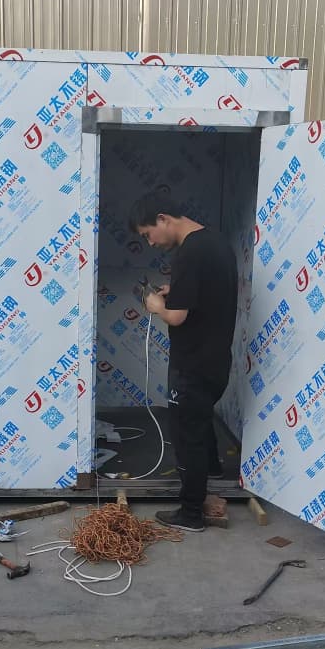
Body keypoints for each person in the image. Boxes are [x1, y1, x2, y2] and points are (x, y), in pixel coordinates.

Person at [128, 192, 238, 532]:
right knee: (200, 417)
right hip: (216, 359)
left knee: (187, 433)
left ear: (163, 219)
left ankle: (191, 512)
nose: (150, 242)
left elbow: (176, 317)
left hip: (193, 363)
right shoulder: (216, 243)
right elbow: (204, 295)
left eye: (148, 234)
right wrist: (173, 291)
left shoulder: (189, 252)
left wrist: (156, 305)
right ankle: (213, 469)